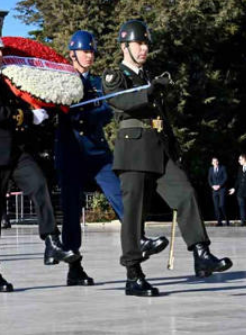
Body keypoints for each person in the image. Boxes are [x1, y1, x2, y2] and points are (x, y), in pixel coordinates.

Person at [102, 20, 232, 296]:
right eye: (139, 43)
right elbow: (122, 101)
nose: (144, 49)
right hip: (134, 151)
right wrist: (150, 91)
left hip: (159, 149)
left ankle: (201, 253)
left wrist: (173, 146)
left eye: (146, 44)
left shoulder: (150, 77)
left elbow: (160, 118)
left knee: (185, 194)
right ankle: (133, 275)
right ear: (125, 46)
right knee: (135, 213)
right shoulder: (115, 76)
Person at [0, 30, 77, 293]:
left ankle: (51, 240)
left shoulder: (7, 80)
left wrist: (42, 110)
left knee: (39, 185)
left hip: (16, 151)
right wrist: (28, 116)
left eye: (0, 50)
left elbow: (23, 105)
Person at [56, 30, 167, 287]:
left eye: (92, 52)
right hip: (71, 151)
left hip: (97, 151)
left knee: (121, 195)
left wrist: (88, 116)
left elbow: (109, 108)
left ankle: (138, 239)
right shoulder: (62, 80)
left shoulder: (98, 82)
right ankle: (74, 267)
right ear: (72, 53)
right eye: (85, 51)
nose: (90, 56)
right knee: (72, 211)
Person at [208, 157, 229, 226]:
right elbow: (209, 179)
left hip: (221, 189)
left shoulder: (222, 168)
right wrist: (212, 186)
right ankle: (219, 222)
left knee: (222, 205)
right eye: (214, 161)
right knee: (216, 207)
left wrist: (219, 185)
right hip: (214, 190)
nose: (215, 163)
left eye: (216, 161)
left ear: (218, 162)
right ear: (212, 163)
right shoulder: (210, 169)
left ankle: (226, 220)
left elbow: (225, 178)